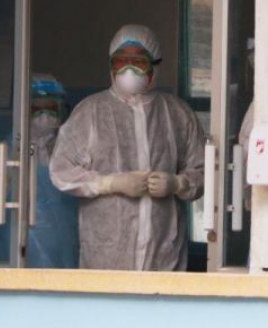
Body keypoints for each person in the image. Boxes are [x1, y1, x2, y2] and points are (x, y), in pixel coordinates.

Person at [48, 24, 205, 271]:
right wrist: (109, 183)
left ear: (155, 65)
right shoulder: (90, 112)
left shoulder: (177, 114)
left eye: (139, 62)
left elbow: (204, 169)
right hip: (106, 256)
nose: (128, 69)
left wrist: (178, 183)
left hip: (164, 254)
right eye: (120, 61)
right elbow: (61, 170)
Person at [26, 74, 79, 268]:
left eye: (51, 110)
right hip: (20, 241)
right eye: (37, 110)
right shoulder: (6, 151)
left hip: (63, 236)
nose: (44, 117)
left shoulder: (71, 151)